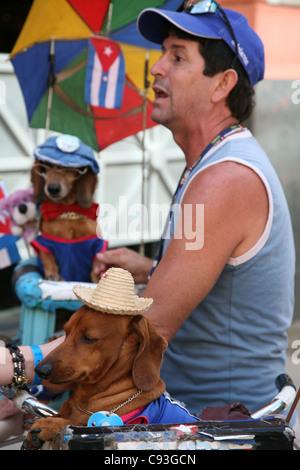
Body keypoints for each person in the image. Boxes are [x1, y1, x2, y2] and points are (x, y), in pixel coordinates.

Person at [94, 1, 296, 415]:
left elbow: (145, 334)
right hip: (188, 413)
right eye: (163, 52)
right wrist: (148, 268)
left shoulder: (226, 179)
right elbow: (218, 282)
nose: (157, 68)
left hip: (221, 427)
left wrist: (22, 362)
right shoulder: (211, 164)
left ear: (221, 84)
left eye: (178, 55)